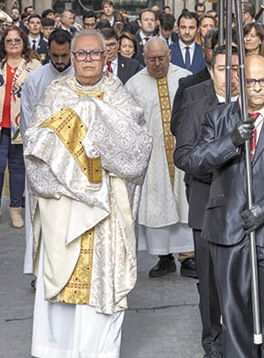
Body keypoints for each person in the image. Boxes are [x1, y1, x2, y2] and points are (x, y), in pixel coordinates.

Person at [24, 30, 152, 358]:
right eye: (81, 54)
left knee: (102, 289)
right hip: (64, 210)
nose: (88, 60)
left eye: (94, 54)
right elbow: (34, 149)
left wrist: (95, 124)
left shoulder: (118, 94)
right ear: (72, 58)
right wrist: (73, 155)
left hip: (105, 212)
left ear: (105, 58)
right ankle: (58, 351)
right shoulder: (55, 94)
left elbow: (137, 151)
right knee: (62, 286)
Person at [183, 53, 264, 358]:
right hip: (228, 229)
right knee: (235, 318)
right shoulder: (218, 119)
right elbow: (195, 163)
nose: (257, 88)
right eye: (251, 81)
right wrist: (230, 142)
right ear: (238, 82)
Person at [171, 40, 239, 358]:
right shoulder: (197, 104)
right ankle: (212, 342)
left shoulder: (252, 104)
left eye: (236, 69)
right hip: (207, 198)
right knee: (209, 282)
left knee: (242, 279)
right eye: (224, 69)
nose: (230, 75)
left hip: (245, 206)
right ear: (211, 71)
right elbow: (183, 155)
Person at [126, 39, 194, 277]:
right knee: (157, 205)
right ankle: (163, 257)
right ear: (144, 58)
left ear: (170, 54)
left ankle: (188, 258)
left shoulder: (186, 78)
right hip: (152, 159)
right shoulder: (133, 85)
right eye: (152, 59)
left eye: (161, 58)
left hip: (182, 153)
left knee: (185, 204)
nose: (157, 64)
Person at [19, 29, 75, 277]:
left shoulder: (82, 77)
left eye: (64, 56)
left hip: (75, 160)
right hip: (43, 160)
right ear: (48, 52)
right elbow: (28, 121)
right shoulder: (36, 79)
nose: (60, 61)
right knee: (41, 216)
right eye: (55, 55)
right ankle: (40, 269)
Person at [0, 27, 41, 229]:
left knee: (18, 169)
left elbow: (41, 94)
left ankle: (15, 210)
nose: (13, 44)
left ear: (24, 42)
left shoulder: (34, 66)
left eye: (17, 40)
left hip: (22, 125)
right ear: (3, 43)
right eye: (9, 41)